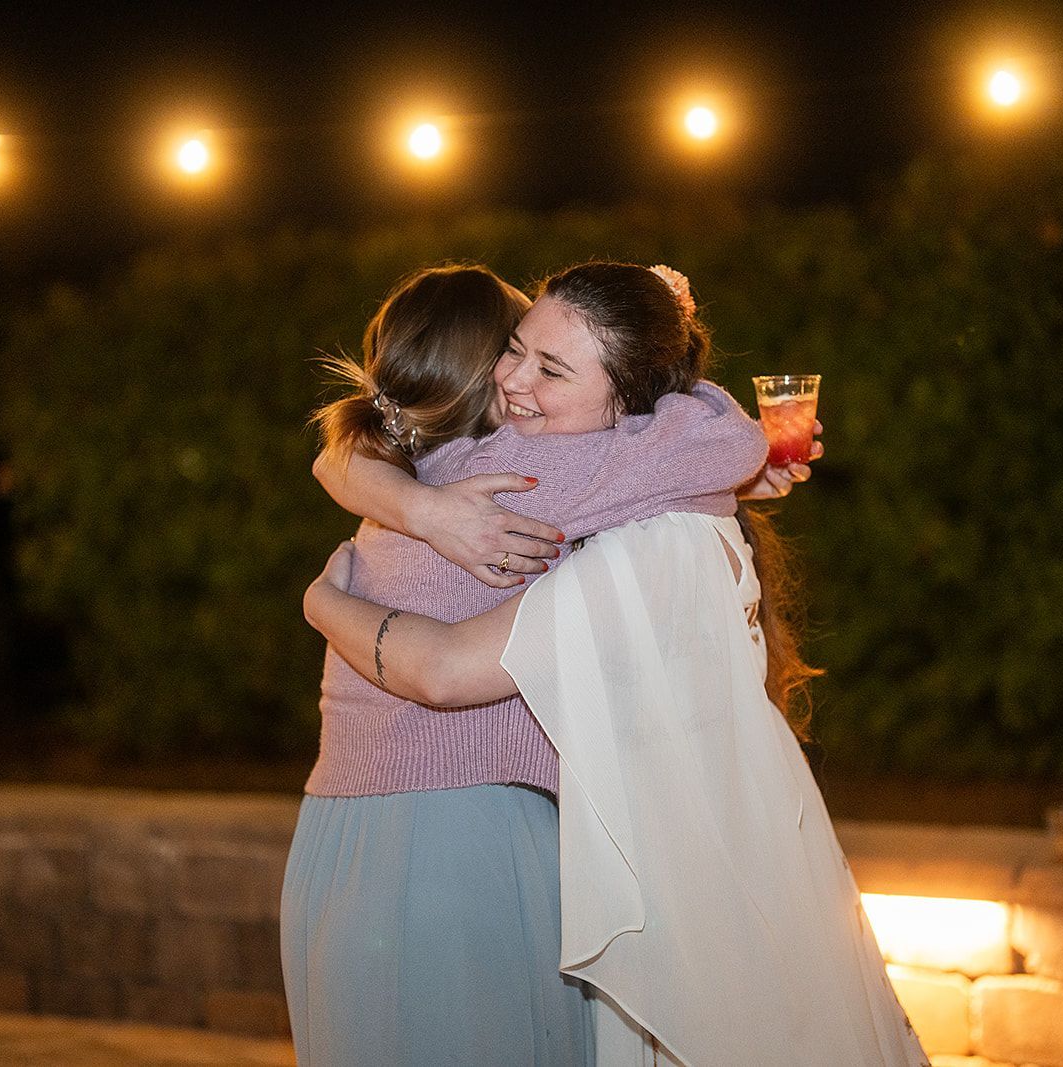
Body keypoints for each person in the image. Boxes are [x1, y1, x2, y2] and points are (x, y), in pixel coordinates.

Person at [304, 262, 930, 1065]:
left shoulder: (428, 456)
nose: (515, 380)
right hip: (472, 848)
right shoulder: (541, 473)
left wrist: (348, 574)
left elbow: (336, 455)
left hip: (344, 837)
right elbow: (721, 439)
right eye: (515, 350)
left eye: (550, 366)